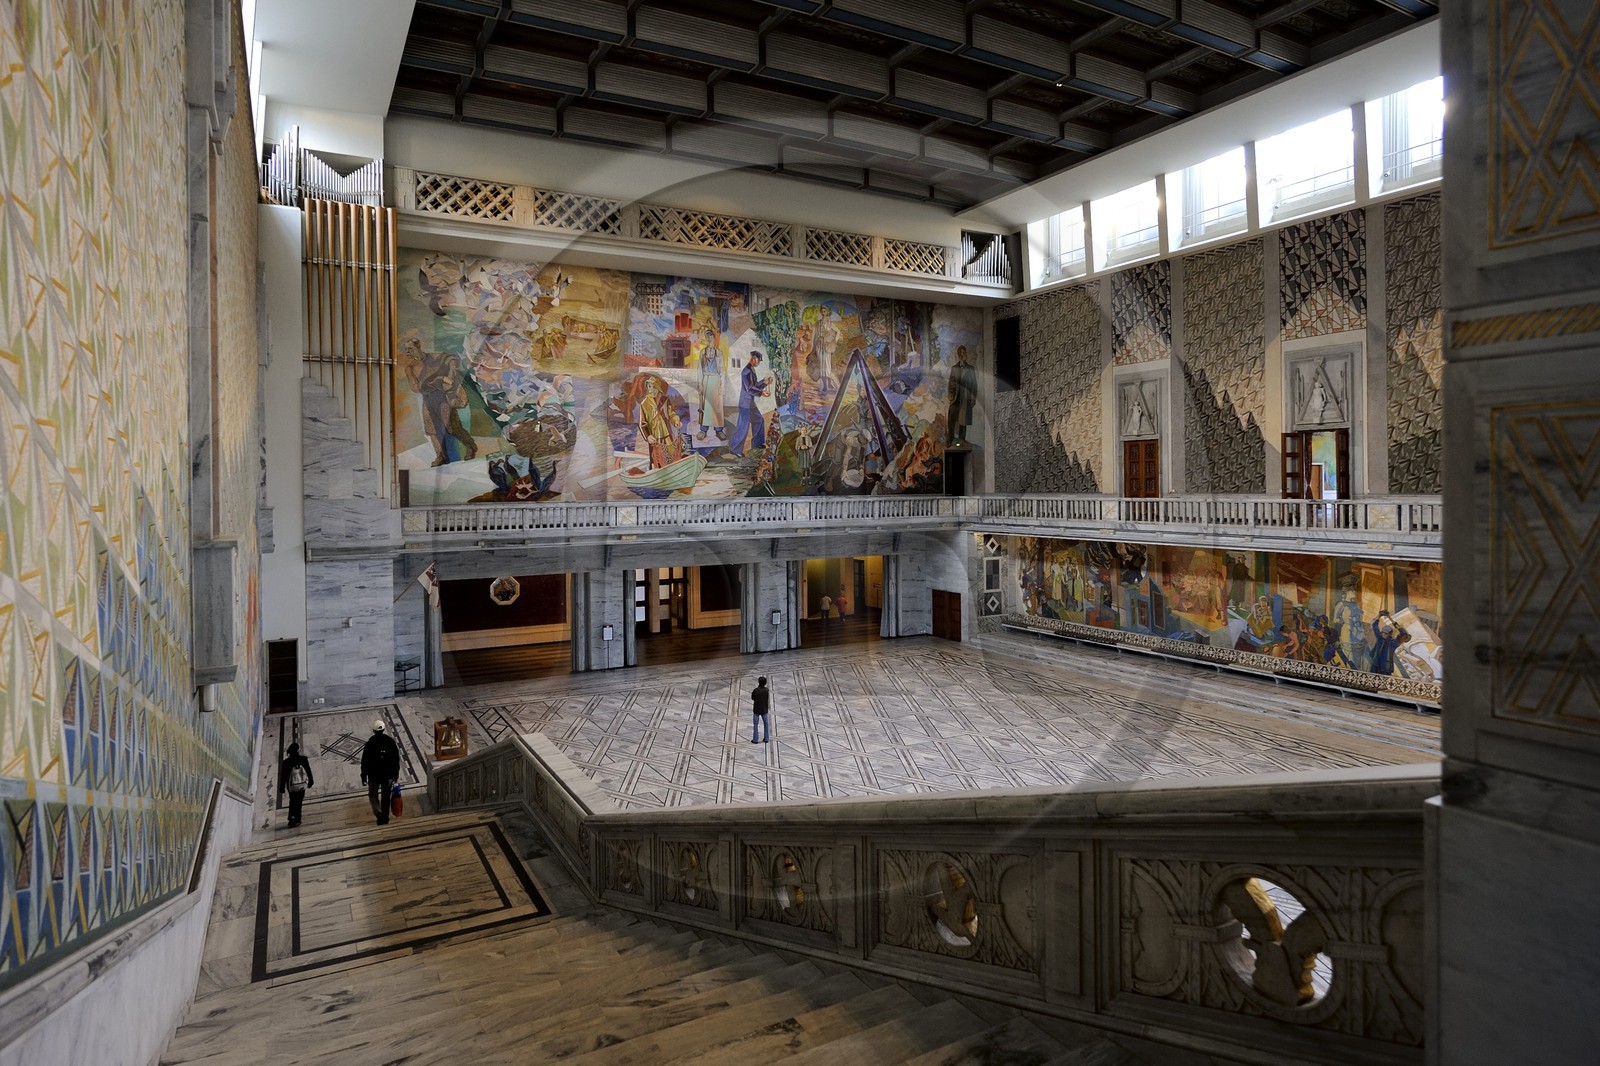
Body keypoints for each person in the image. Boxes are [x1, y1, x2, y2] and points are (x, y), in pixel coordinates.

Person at [360, 720, 402, 827]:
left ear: (373, 731)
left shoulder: (369, 744)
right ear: (383, 729)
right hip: (388, 775)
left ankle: (378, 813)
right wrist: (396, 774)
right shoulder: (390, 742)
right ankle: (385, 818)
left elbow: (364, 761)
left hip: (373, 776)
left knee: (373, 795)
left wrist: (363, 776)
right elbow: (396, 760)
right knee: (386, 797)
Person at [729, 352, 769, 455]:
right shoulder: (746, 372)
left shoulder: (751, 369)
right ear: (753, 358)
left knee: (759, 420)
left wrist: (764, 382)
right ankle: (734, 450)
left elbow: (754, 386)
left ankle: (757, 444)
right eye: (758, 361)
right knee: (743, 427)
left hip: (750, 403)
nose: (758, 363)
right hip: (745, 404)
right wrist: (761, 393)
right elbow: (749, 389)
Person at [278, 742, 314, 828]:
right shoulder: (303, 759)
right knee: (299, 802)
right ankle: (297, 819)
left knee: (292, 801)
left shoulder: (286, 762)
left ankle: (291, 818)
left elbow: (283, 776)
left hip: (291, 786)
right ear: (298, 750)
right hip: (301, 784)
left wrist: (282, 787)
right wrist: (310, 781)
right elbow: (308, 771)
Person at [946, 344, 978, 443]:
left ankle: (961, 442)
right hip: (955, 399)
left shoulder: (970, 369)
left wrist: (972, 400)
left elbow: (974, 386)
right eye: (963, 353)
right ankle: (950, 441)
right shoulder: (954, 368)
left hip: (966, 399)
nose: (965, 354)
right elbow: (951, 383)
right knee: (951, 421)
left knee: (963, 424)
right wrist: (951, 396)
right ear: (959, 355)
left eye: (965, 352)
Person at [750, 676, 771, 744]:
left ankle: (755, 739)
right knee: (766, 723)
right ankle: (766, 738)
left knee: (755, 724)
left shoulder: (756, 690)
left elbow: (752, 697)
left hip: (756, 709)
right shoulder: (766, 690)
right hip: (764, 709)